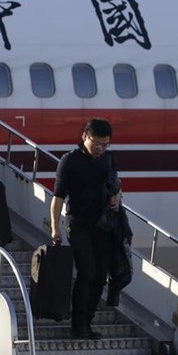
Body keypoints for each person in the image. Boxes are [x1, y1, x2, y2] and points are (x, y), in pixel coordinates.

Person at [49, 119, 121, 339]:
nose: (100, 148)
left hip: (103, 224)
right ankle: (77, 325)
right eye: (96, 143)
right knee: (86, 272)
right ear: (84, 137)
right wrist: (55, 228)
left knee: (100, 276)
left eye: (105, 144)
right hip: (78, 223)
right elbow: (58, 197)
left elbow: (116, 183)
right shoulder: (69, 161)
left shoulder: (108, 159)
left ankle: (87, 324)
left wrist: (117, 197)